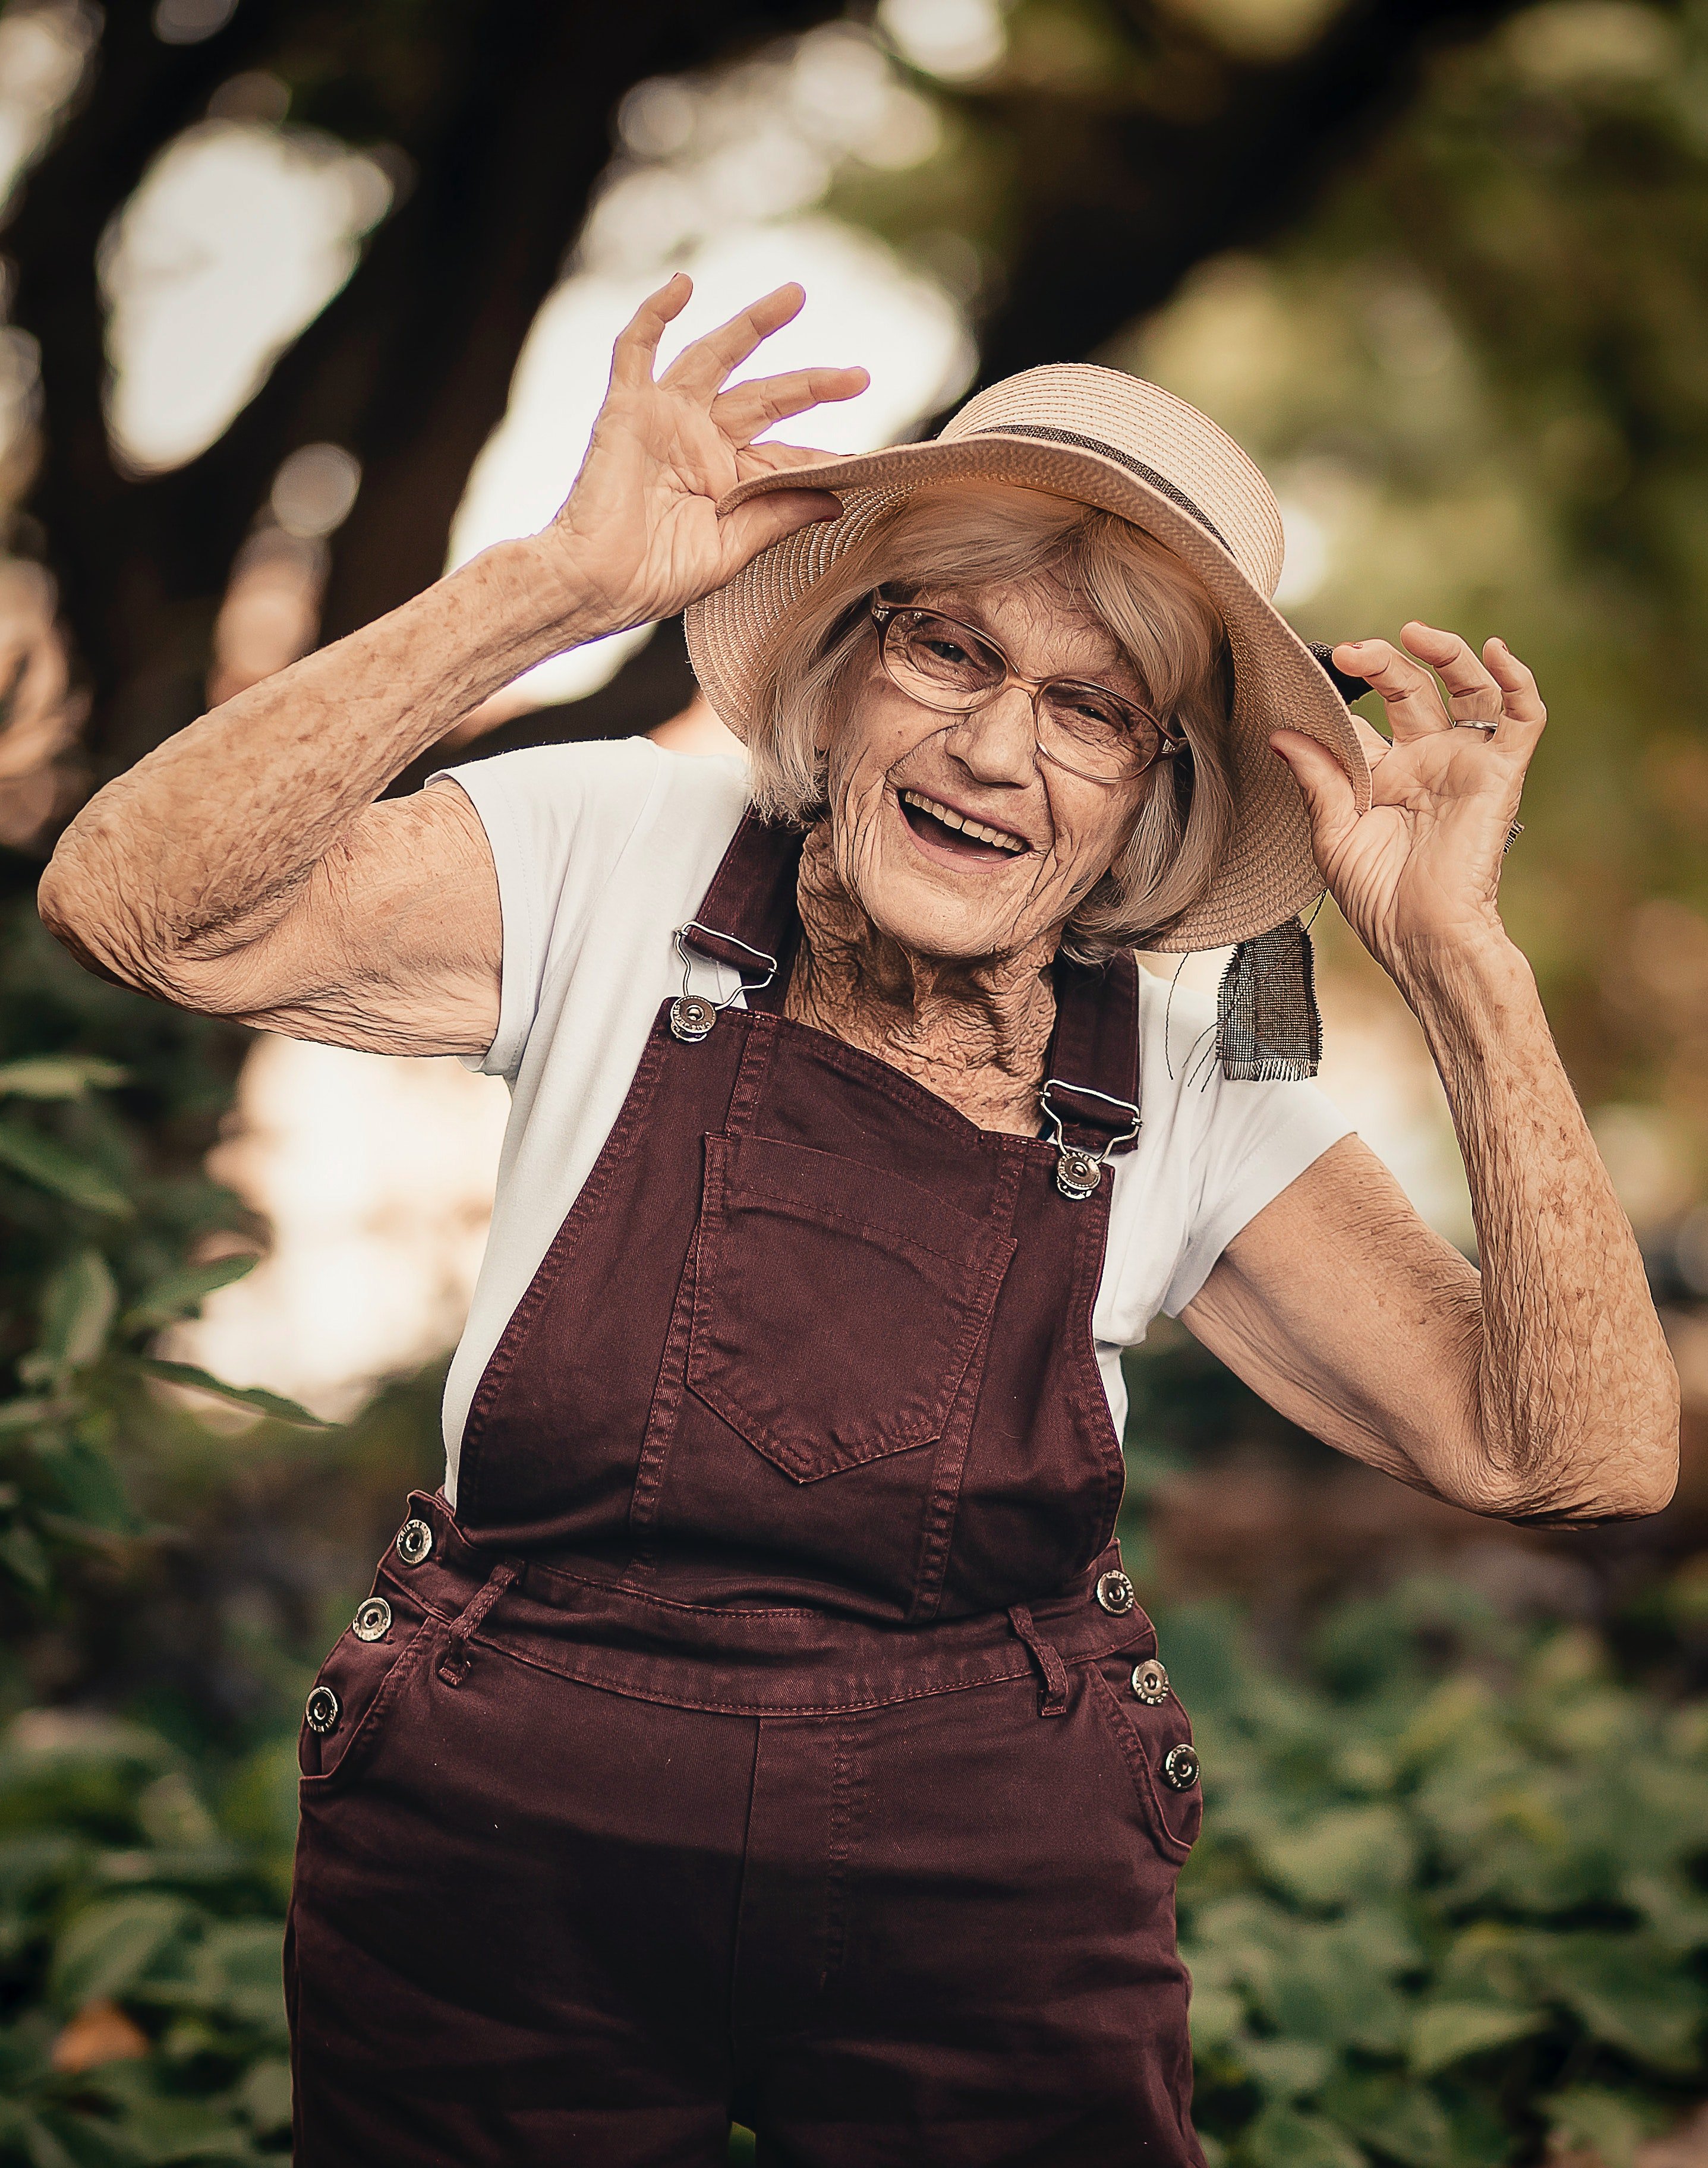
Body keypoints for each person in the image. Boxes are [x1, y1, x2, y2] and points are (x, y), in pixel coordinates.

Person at [39, 277, 1678, 2166]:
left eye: (1090, 709)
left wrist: (1464, 968)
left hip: (988, 1904)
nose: (995, 751)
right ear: (844, 667)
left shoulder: (1192, 1073)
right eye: (948, 654)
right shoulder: (612, 853)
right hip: (500, 1875)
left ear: (1154, 791)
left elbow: (1579, 1457)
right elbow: (130, 906)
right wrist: (554, 589)